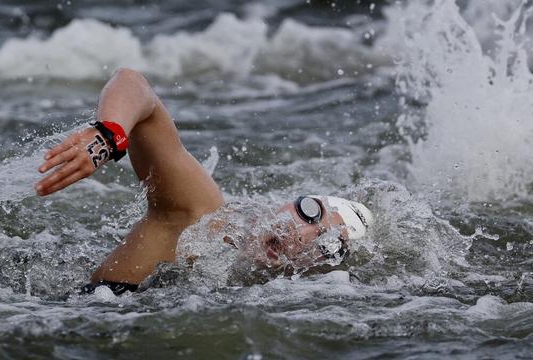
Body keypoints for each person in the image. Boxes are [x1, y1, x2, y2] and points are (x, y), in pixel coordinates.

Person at [35, 68, 373, 295]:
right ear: (288, 202)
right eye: (309, 211)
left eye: (327, 244)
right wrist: (108, 136)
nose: (300, 233)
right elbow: (134, 85)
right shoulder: (198, 215)